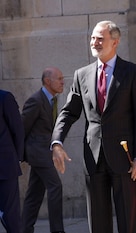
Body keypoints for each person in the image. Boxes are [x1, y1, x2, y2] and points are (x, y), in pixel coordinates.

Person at [50, 20, 136, 233]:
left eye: (100, 39)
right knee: (97, 221)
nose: (94, 42)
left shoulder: (132, 73)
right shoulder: (82, 74)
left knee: (128, 220)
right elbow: (69, 112)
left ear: (115, 42)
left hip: (126, 159)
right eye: (92, 38)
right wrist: (57, 141)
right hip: (93, 158)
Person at [21, 67, 65, 233]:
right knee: (55, 186)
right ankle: (57, 230)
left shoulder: (52, 100)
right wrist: (22, 154)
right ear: (48, 81)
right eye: (59, 79)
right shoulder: (35, 101)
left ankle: (24, 228)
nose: (62, 82)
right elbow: (22, 128)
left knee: (35, 193)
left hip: (44, 154)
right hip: (37, 154)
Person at [0, 89, 24, 233]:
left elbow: (18, 130)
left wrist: (17, 157)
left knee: (11, 216)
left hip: (5, 166)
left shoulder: (4, 98)